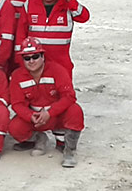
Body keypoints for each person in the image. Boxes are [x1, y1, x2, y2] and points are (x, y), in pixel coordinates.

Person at [7, 37, 85, 167]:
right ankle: (38, 138)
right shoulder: (17, 76)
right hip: (35, 119)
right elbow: (17, 104)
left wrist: (50, 112)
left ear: (43, 56)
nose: (31, 61)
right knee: (14, 128)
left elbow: (69, 96)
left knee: (75, 111)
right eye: (27, 58)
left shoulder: (57, 70)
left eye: (35, 56)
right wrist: (30, 116)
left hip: (56, 115)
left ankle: (69, 149)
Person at [26, 0, 89, 72]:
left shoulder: (68, 5)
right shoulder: (29, 4)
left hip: (61, 68)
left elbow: (84, 17)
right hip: (34, 68)